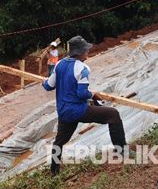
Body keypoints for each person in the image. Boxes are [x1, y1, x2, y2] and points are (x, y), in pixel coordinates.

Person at [42, 36, 129, 176]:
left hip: (64, 112)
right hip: (78, 110)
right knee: (113, 115)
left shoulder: (59, 65)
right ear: (79, 52)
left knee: (59, 141)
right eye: (86, 50)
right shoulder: (83, 69)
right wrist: (93, 95)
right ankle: (122, 151)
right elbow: (82, 93)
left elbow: (48, 86)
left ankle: (54, 172)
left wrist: (43, 82)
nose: (88, 52)